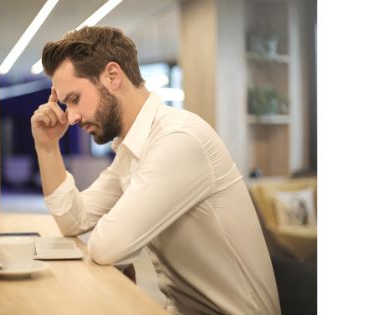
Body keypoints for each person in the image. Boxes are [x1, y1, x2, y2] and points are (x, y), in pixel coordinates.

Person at [30, 26, 280, 315]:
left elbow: (106, 247)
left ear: (112, 76)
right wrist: (47, 147)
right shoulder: (132, 148)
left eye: (74, 99)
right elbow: (74, 220)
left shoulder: (178, 139)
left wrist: (117, 244)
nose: (70, 116)